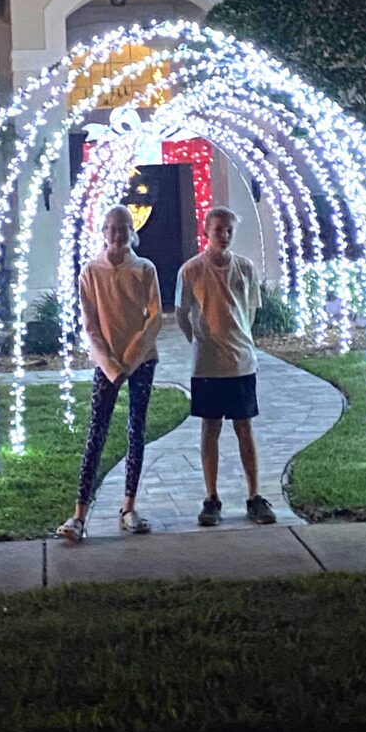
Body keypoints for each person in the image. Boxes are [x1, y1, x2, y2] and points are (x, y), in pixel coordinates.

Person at [58, 204, 162, 542]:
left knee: (136, 429)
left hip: (142, 361)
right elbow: (90, 326)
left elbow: (155, 318)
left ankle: (129, 507)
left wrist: (130, 360)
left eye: (124, 227)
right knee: (96, 433)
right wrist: (111, 365)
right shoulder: (90, 272)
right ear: (104, 232)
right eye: (113, 228)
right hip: (107, 364)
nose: (118, 234)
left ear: (133, 231)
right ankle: (79, 514)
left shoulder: (145, 268)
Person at [175, 206, 276, 526]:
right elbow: (182, 314)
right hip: (207, 365)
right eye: (219, 228)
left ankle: (254, 495)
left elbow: (251, 310)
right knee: (210, 429)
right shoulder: (190, 270)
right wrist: (199, 340)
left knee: (244, 428)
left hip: (241, 362)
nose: (225, 234)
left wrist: (240, 337)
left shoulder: (245, 269)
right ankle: (211, 497)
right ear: (207, 230)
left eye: (229, 229)